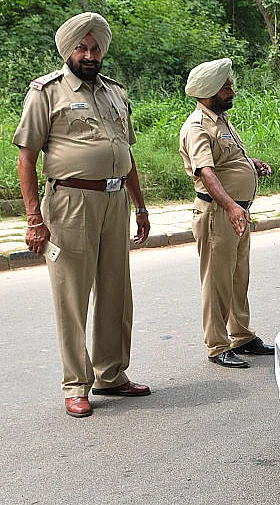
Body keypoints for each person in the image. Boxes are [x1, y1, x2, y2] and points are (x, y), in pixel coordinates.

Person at [13, 12, 152, 418]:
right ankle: (76, 384)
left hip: (115, 200)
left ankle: (111, 373)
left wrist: (141, 206)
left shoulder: (115, 92)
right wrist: (34, 219)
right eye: (82, 48)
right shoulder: (46, 93)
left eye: (95, 49)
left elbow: (126, 154)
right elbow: (26, 158)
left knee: (115, 291)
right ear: (68, 50)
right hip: (71, 203)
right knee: (72, 295)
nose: (90, 55)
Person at [179, 58, 275, 369]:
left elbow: (226, 160)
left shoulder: (221, 121)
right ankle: (217, 345)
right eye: (226, 87)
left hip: (236, 213)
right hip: (218, 214)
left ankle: (241, 336)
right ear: (209, 91)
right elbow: (206, 172)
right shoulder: (197, 127)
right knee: (217, 282)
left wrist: (252, 164)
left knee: (238, 277)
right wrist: (232, 206)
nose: (232, 91)